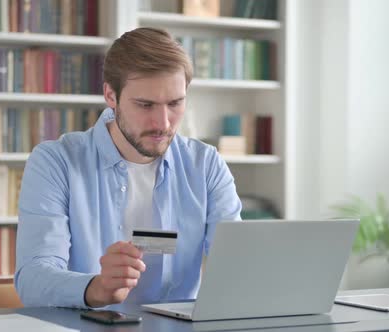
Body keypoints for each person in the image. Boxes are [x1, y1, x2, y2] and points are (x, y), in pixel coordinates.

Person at [15, 27, 242, 310]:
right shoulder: (55, 163)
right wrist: (96, 288)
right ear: (111, 95)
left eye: (175, 103)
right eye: (145, 105)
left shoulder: (205, 165)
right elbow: (33, 279)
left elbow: (236, 266)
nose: (163, 123)